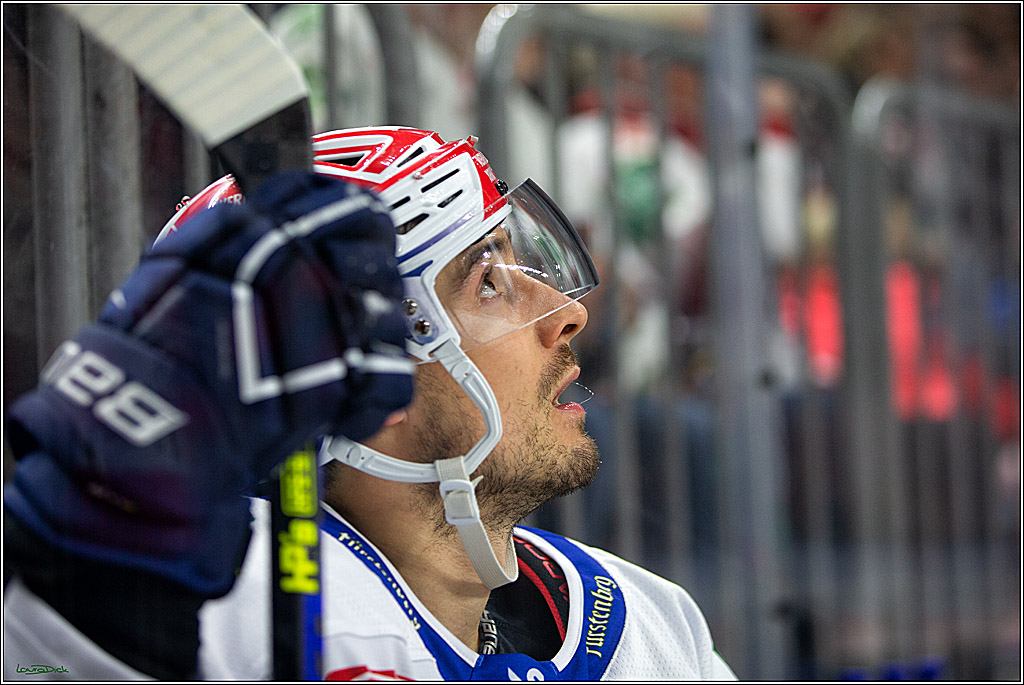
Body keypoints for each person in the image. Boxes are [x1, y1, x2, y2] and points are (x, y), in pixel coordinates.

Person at [3, 126, 735, 680]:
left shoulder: (645, 615)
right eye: (488, 280)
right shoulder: (245, 606)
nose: (567, 312)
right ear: (361, 374)